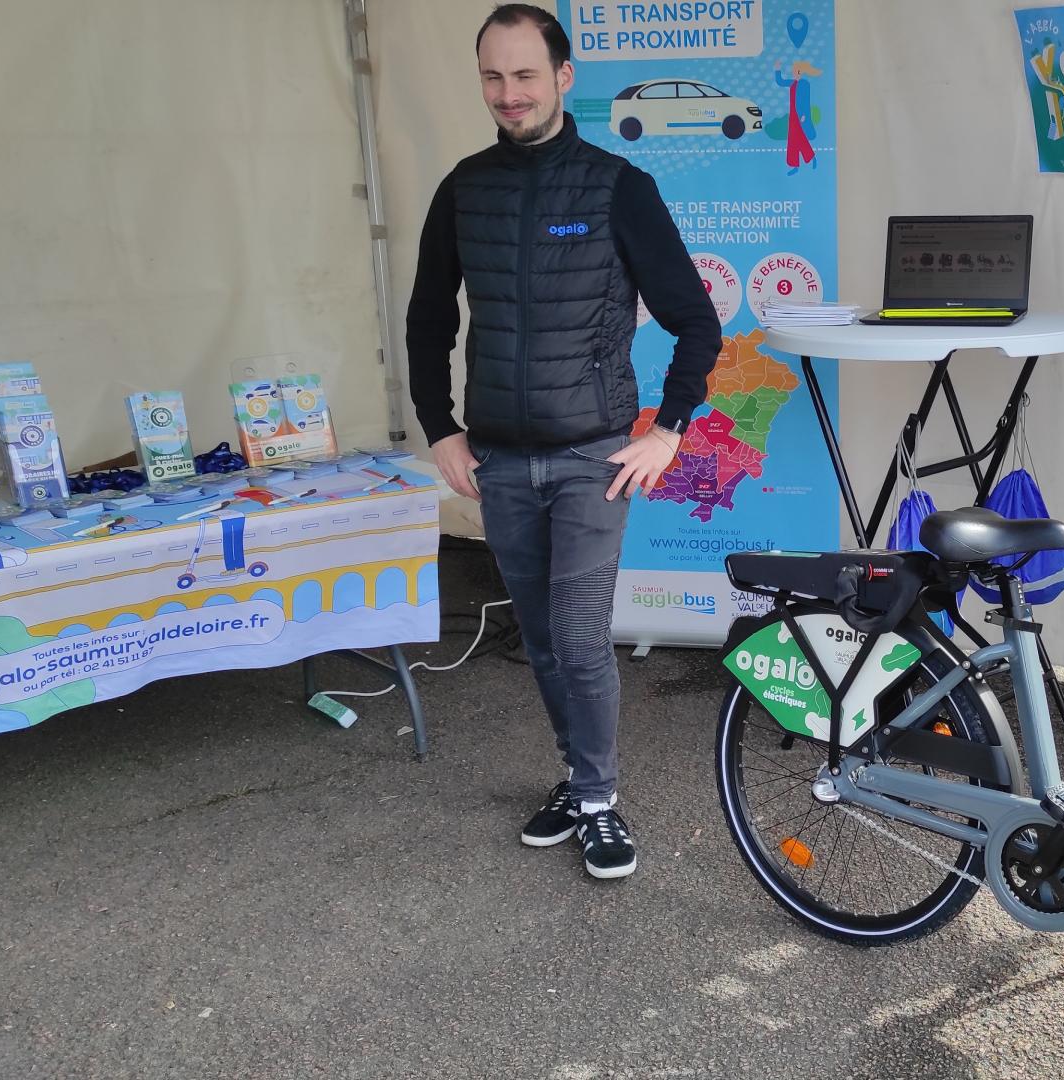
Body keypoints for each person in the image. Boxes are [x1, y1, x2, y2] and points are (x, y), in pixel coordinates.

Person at [404, 3, 720, 880]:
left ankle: (601, 801)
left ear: (564, 76)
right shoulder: (463, 188)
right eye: (493, 77)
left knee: (579, 637)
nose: (509, 94)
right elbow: (428, 320)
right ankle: (577, 778)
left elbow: (696, 323)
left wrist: (666, 432)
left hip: (591, 460)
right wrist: (440, 430)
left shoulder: (618, 186)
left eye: (526, 75)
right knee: (541, 640)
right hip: (500, 462)